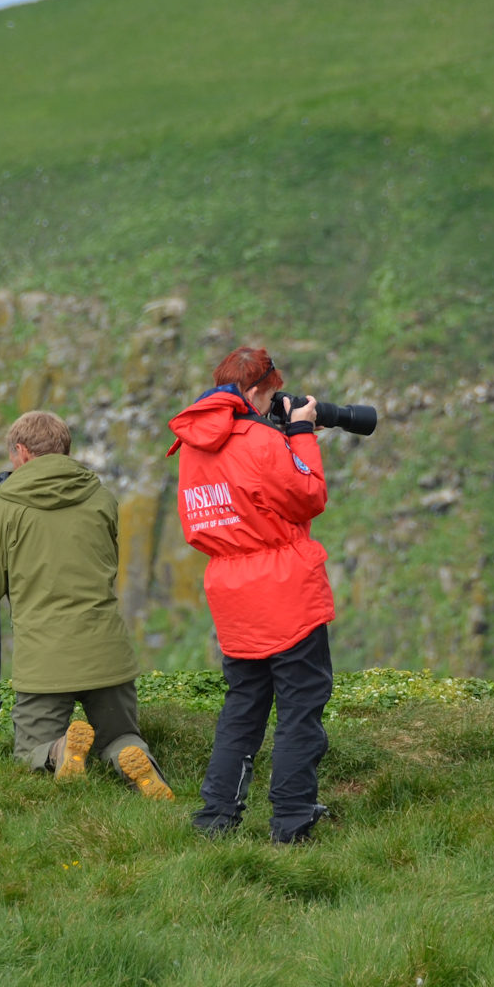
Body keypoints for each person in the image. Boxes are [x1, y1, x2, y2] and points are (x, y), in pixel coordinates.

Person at [0, 410, 173, 800]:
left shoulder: (6, 507)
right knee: (120, 733)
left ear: (21, 452)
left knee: (29, 751)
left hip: (46, 660)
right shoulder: (101, 497)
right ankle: (130, 755)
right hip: (108, 653)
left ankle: (59, 750)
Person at [168, 347, 334, 842]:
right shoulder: (262, 440)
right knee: (300, 706)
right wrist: (300, 434)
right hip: (284, 590)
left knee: (243, 705)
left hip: (231, 590)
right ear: (258, 391)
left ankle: (217, 816)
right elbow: (309, 496)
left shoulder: (192, 447)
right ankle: (291, 819)